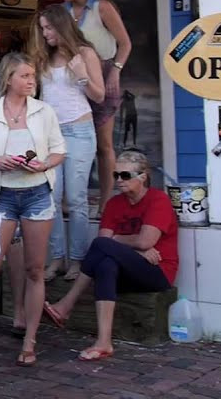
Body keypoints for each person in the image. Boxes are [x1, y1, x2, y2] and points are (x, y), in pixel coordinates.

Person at [43, 150, 177, 362]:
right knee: (105, 264)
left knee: (103, 247)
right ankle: (104, 342)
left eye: (125, 175)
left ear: (143, 177)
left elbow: (143, 241)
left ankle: (67, 304)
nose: (119, 180)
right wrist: (136, 247)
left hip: (156, 271)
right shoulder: (114, 204)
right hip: (126, 271)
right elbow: (110, 242)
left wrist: (119, 239)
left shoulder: (158, 200)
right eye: (116, 175)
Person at [0, 51, 66, 367]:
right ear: (9, 78)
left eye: (33, 76)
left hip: (36, 193)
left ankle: (30, 340)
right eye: (25, 76)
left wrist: (43, 164)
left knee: (34, 268)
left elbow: (59, 150)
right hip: (2, 194)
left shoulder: (44, 111)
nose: (31, 81)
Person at [29, 5, 105, 281]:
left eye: (49, 27)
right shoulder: (43, 57)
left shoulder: (85, 53)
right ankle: (57, 258)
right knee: (52, 197)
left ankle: (78, 260)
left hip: (79, 130)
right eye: (43, 28)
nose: (45, 33)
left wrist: (82, 74)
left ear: (62, 26)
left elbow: (99, 96)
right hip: (51, 133)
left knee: (75, 199)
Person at [57, 0, 131, 210]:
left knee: (103, 143)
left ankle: (106, 201)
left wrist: (116, 71)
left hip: (104, 71)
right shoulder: (63, 12)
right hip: (73, 75)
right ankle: (68, 198)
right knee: (68, 140)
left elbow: (125, 43)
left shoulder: (102, 7)